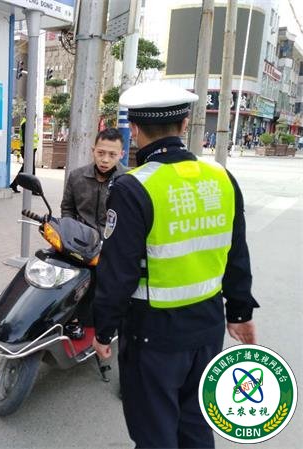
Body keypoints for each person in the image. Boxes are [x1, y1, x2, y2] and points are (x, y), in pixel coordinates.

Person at [91, 81, 258, 449]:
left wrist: (103, 331)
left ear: (134, 130)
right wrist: (240, 312)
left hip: (153, 335)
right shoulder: (221, 177)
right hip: (208, 328)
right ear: (184, 126)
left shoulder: (133, 188)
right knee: (196, 428)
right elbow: (237, 253)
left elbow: (118, 275)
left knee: (155, 434)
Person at [60, 128, 127, 338]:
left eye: (112, 154)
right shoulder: (76, 176)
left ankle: (108, 323)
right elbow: (67, 208)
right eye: (101, 153)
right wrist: (71, 233)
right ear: (93, 151)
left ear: (121, 154)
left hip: (113, 245)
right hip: (81, 243)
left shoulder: (128, 180)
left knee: (110, 285)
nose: (105, 159)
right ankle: (71, 319)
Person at [10, 114, 38, 193]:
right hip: (28, 149)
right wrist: (27, 150)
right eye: (33, 113)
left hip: (30, 149)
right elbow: (26, 138)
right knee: (31, 169)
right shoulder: (26, 123)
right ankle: (33, 189)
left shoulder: (28, 123)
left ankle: (14, 184)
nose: (35, 115)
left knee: (25, 168)